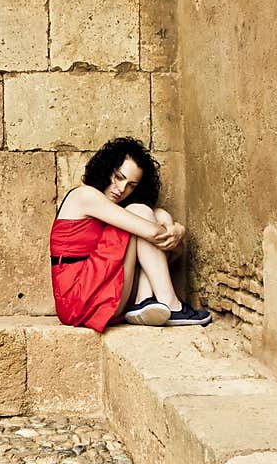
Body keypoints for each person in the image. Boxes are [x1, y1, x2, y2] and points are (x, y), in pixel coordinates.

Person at [49, 136, 211, 332]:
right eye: (119, 177)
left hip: (99, 289)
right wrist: (179, 230)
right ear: (106, 170)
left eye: (132, 185)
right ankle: (170, 303)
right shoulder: (85, 196)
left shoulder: (114, 209)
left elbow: (176, 250)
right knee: (141, 213)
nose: (122, 189)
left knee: (159, 214)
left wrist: (176, 234)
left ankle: (144, 302)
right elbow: (153, 233)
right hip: (76, 298)